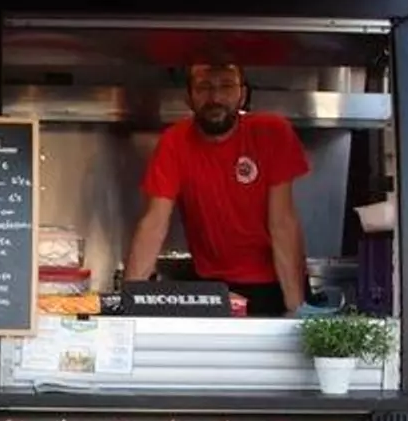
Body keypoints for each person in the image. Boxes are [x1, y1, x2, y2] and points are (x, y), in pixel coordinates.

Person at [124, 63, 312, 317]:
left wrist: (296, 310)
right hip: (213, 288)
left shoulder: (272, 132)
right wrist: (128, 305)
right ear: (188, 97)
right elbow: (153, 223)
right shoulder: (174, 142)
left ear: (242, 95)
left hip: (275, 283)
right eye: (204, 87)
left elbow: (283, 223)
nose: (215, 97)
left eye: (226, 86)